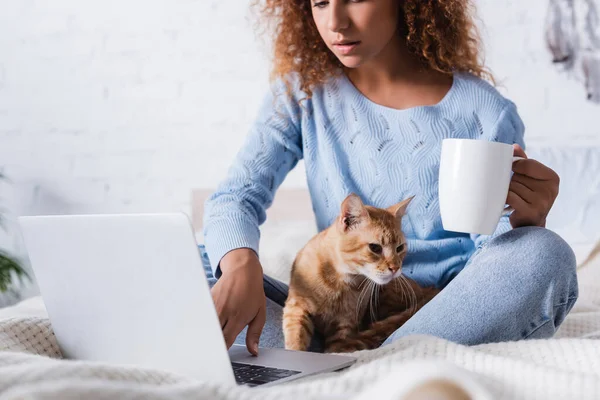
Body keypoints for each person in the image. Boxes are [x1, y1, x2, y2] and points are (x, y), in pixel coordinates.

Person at [201, 0, 578, 355]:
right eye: (319, 3)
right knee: (204, 262)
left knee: (544, 253)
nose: (335, 22)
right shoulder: (302, 94)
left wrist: (524, 222)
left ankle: (369, 362)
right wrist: (238, 264)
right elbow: (236, 197)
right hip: (337, 317)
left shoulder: (486, 112)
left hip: (444, 313)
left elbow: (495, 252)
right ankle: (390, 360)